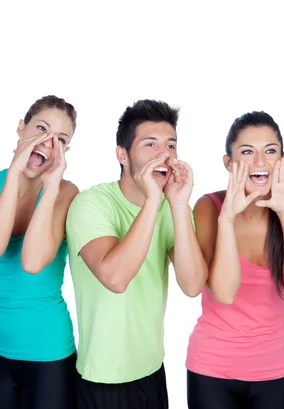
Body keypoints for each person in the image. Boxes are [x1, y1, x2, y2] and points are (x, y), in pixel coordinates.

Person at [65, 99, 208, 409]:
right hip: (101, 379)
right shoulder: (91, 203)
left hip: (152, 372)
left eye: (171, 145)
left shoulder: (174, 207)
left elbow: (193, 285)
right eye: (150, 144)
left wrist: (180, 205)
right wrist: (153, 201)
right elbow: (115, 278)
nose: (165, 155)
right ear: (122, 154)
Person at [185, 111, 284, 409]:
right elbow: (224, 292)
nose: (260, 162)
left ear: (282, 160)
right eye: (248, 152)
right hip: (211, 368)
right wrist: (228, 219)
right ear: (228, 163)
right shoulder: (209, 207)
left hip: (274, 368)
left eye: (270, 151)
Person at [0, 95, 79, 409]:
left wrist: (52, 185)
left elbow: (33, 262)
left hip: (50, 354)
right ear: (21, 128)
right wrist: (16, 171)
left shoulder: (65, 192)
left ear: (65, 151)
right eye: (41, 129)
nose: (47, 143)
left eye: (60, 139)